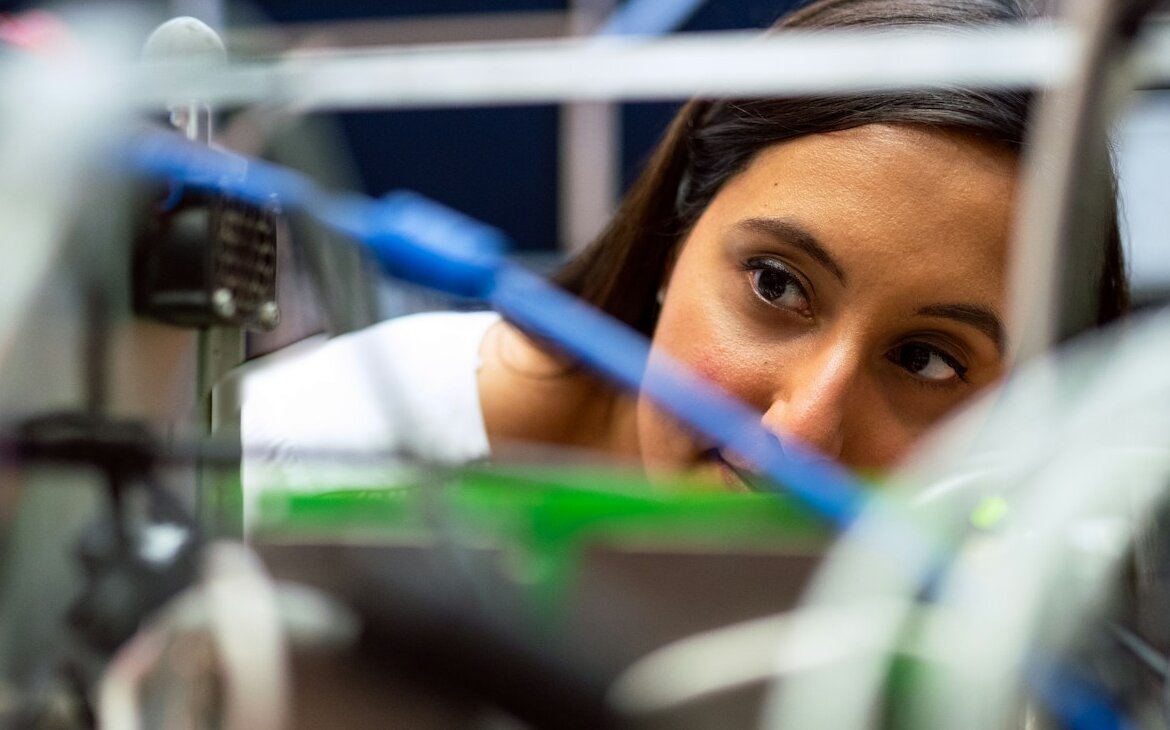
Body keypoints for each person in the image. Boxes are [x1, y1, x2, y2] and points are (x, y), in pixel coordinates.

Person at [241, 0, 1128, 494]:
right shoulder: (300, 459)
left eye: (927, 359)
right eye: (777, 287)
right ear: (674, 237)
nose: (802, 432)